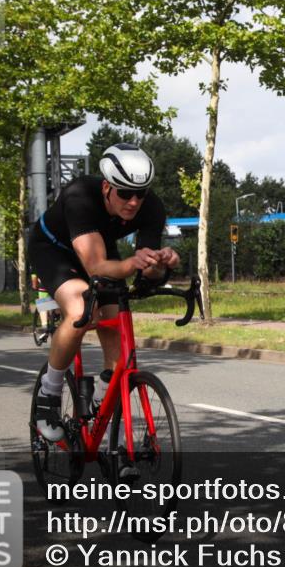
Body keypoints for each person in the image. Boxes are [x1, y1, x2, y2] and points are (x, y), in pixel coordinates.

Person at [28, 143, 179, 445]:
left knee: (118, 339)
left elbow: (144, 274)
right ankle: (50, 391)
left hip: (99, 247)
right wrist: (131, 263)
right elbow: (95, 264)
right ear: (108, 186)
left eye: (141, 193)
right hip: (55, 251)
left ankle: (104, 410)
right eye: (125, 193)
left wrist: (159, 265)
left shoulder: (151, 208)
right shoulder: (80, 196)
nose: (134, 201)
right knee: (81, 310)